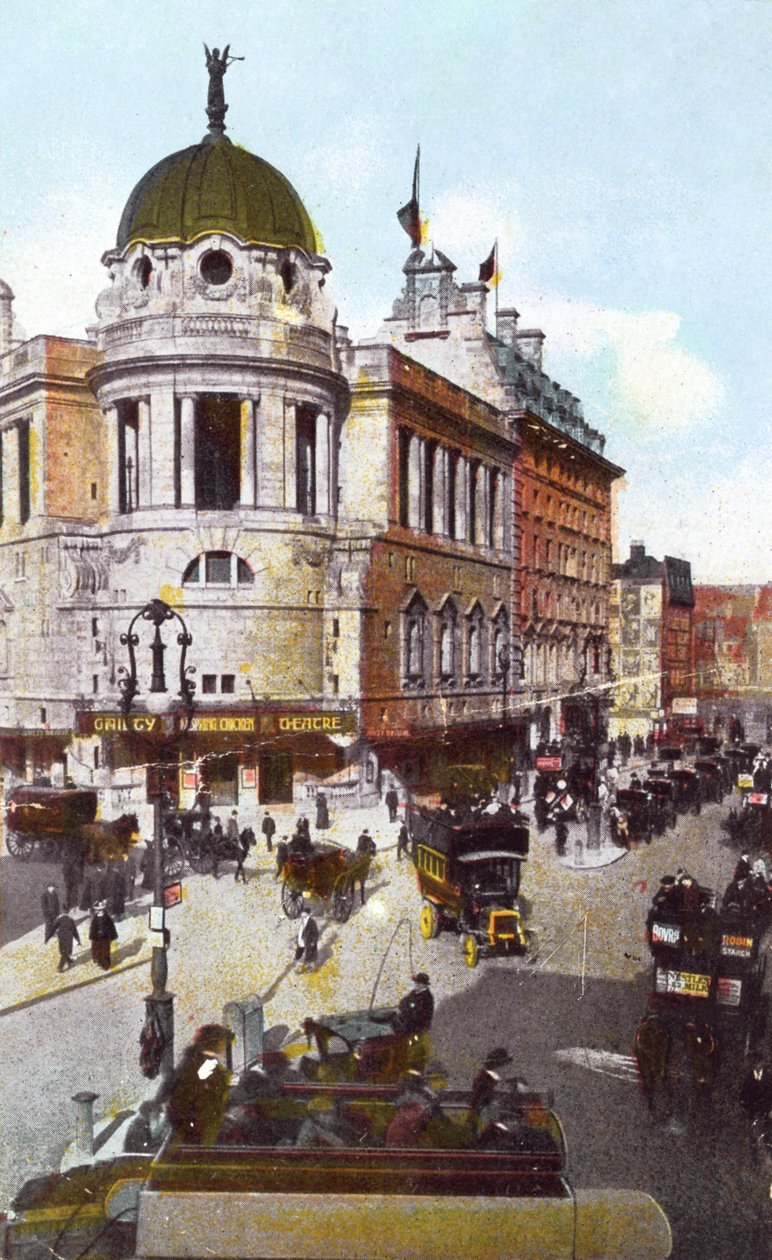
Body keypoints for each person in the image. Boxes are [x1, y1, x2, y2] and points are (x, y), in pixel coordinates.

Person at [164, 1024, 234, 1148]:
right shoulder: (205, 1064)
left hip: (195, 1125)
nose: (224, 1047)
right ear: (215, 1043)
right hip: (198, 1129)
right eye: (223, 1042)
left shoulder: (191, 1061)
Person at [89, 900, 118, 970]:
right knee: (98, 950)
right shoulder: (95, 918)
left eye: (98, 910)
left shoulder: (106, 917)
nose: (97, 911)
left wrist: (112, 936)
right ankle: (99, 961)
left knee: (105, 951)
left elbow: (111, 926)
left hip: (105, 937)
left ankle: (106, 965)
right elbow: (93, 928)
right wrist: (92, 936)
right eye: (96, 910)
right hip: (97, 938)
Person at [295, 906, 319, 970]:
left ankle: (310, 967)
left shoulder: (311, 922)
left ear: (307, 913)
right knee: (300, 952)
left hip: (309, 941)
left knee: (310, 955)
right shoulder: (303, 920)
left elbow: (316, 933)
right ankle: (300, 966)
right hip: (302, 940)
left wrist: (313, 941)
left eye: (303, 913)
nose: (301, 914)